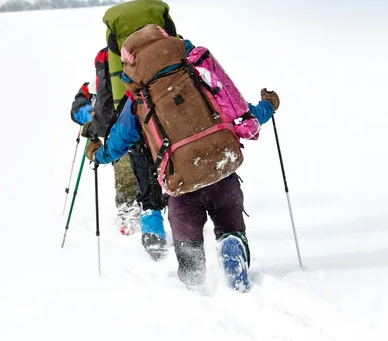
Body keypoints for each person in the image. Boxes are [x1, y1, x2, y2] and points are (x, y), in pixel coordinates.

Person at [84, 35, 280, 291]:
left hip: (181, 183)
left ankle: (193, 283)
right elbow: (241, 114)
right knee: (229, 224)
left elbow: (119, 141)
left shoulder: (139, 98)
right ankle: (231, 242)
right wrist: (269, 105)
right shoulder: (199, 74)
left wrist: (98, 155)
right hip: (221, 168)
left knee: (188, 246)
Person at [70, 48, 168, 260]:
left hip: (120, 137)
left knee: (128, 177)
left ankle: (129, 216)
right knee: (156, 179)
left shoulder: (106, 84)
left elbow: (82, 114)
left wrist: (81, 101)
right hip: (154, 134)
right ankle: (163, 213)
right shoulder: (144, 75)